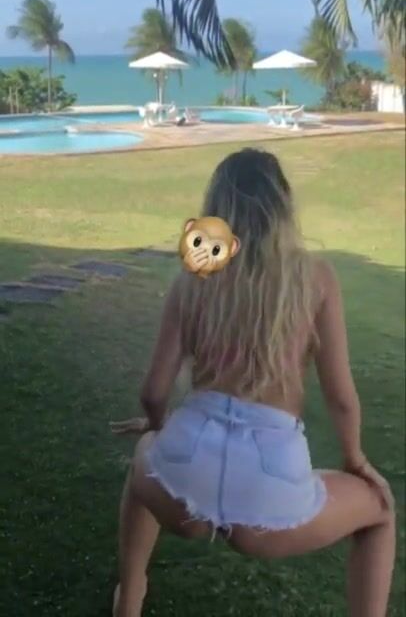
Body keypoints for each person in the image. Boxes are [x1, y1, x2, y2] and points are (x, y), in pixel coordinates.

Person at [110, 148, 395, 617]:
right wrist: (355, 460)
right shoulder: (315, 279)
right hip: (271, 485)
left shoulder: (192, 280)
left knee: (147, 459)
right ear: (283, 207)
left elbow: (153, 391)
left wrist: (156, 427)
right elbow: (342, 399)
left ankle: (130, 597)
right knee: (380, 512)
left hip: (186, 467)